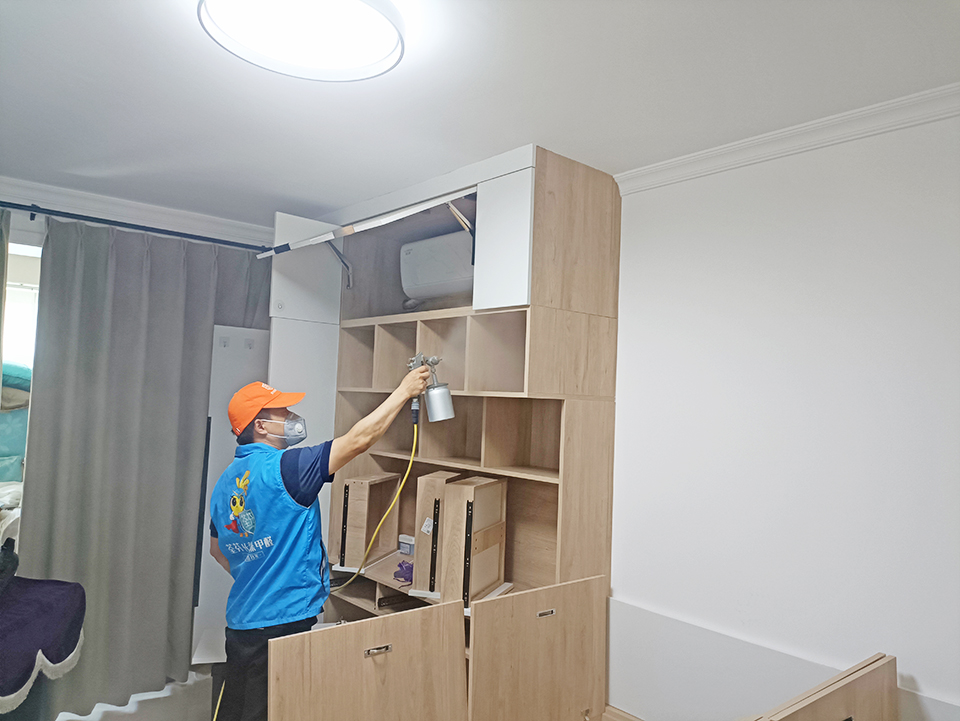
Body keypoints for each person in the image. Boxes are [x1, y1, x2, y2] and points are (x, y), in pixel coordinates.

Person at [208, 366, 430, 721]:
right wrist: (404, 391)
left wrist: (259, 574)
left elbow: (217, 550)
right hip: (285, 622)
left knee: (239, 708)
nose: (291, 417)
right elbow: (358, 441)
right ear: (260, 426)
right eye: (282, 412)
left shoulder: (224, 483)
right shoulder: (288, 467)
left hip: (242, 622)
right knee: (282, 708)